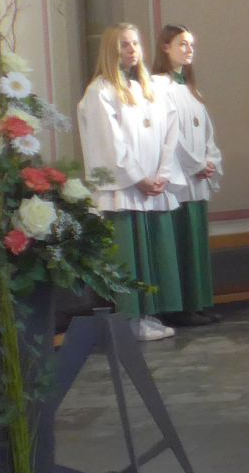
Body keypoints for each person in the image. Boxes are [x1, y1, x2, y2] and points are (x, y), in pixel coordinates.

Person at [77, 23, 183, 343]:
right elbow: (110, 143)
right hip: (124, 190)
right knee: (128, 257)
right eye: (124, 44)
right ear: (111, 49)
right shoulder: (100, 91)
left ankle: (148, 314)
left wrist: (162, 173)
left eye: (135, 43)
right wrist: (137, 178)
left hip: (152, 187)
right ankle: (130, 320)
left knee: (150, 254)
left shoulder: (149, 89)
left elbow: (170, 130)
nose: (132, 49)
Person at [150, 24, 221, 329]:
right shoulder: (158, 86)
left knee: (195, 243)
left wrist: (210, 160)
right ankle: (177, 307)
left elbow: (207, 133)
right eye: (182, 44)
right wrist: (195, 165)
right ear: (165, 47)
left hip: (197, 180)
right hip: (178, 180)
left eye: (191, 44)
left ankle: (197, 302)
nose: (189, 49)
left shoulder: (192, 90)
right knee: (179, 243)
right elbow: (169, 136)